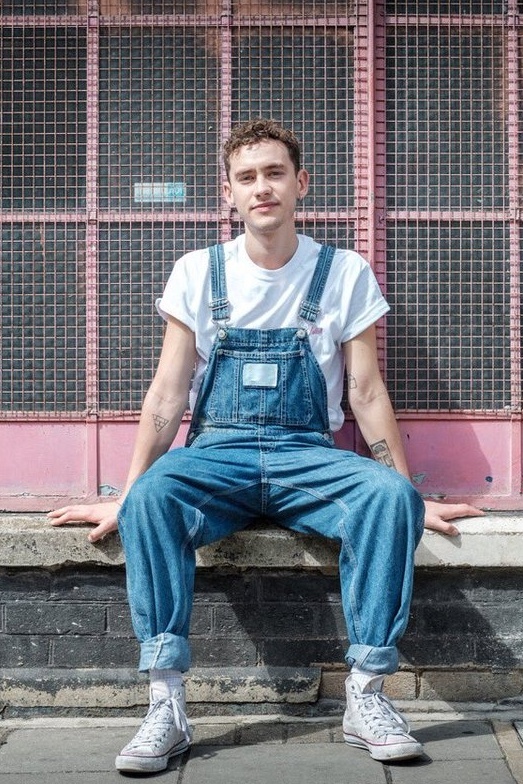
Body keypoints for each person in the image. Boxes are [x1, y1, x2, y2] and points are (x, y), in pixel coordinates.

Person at [49, 118, 482, 774]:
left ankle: (366, 695)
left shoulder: (343, 273)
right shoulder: (199, 272)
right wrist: (131, 494)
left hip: (306, 454)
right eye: (247, 177)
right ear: (228, 192)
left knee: (389, 498)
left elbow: (366, 392)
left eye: (275, 173)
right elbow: (167, 394)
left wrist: (406, 493)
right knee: (154, 498)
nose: (262, 188)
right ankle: (166, 703)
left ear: (300, 183)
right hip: (215, 454)